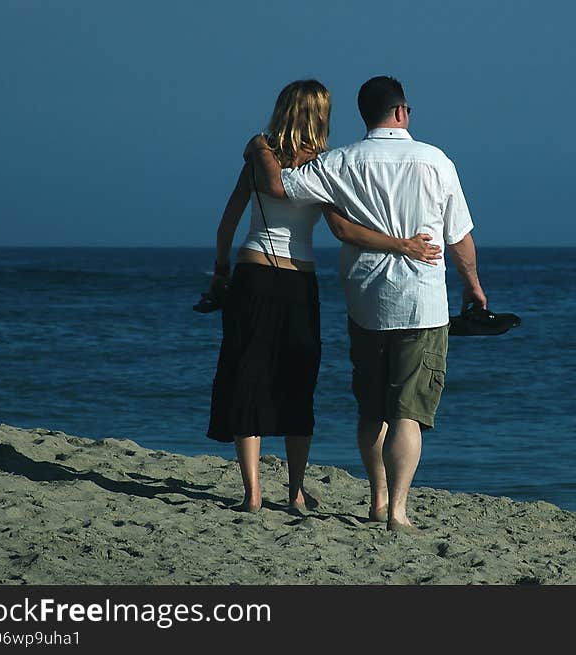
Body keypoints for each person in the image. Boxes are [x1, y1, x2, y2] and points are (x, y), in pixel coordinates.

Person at [247, 75, 487, 531]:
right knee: (408, 413)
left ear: (366, 115)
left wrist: (261, 147)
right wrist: (473, 285)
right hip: (422, 303)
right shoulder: (435, 160)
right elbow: (459, 238)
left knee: (372, 409)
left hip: (366, 300)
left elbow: (282, 188)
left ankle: (377, 498)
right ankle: (398, 510)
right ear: (401, 111)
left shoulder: (340, 161)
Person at [206, 79, 442, 514]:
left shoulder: (264, 154)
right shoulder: (323, 165)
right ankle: (293, 491)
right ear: (320, 115)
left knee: (250, 376)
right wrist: (402, 244)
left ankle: (253, 493)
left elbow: (230, 217)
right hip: (299, 279)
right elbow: (342, 230)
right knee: (298, 380)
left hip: (253, 272)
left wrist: (220, 268)